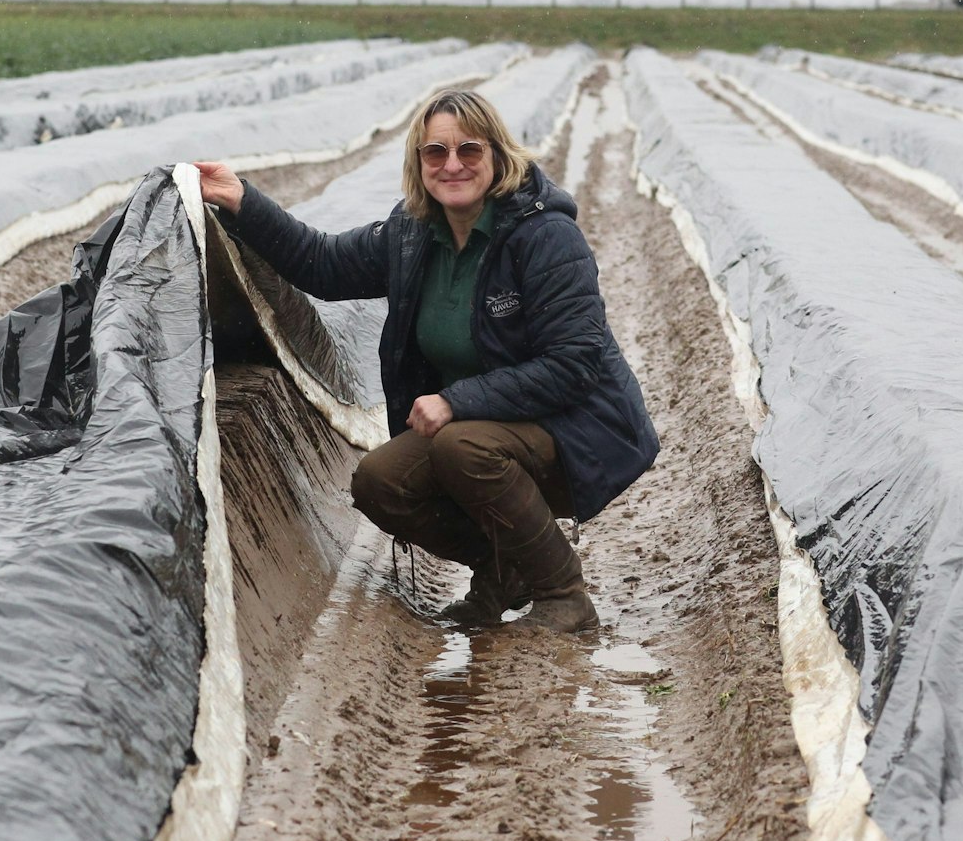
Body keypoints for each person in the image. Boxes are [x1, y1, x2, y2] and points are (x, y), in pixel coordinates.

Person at [194, 88, 658, 633]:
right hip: (487, 426)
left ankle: (565, 594)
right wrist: (240, 199)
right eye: (436, 152)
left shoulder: (545, 236)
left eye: (469, 149)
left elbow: (573, 364)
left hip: (577, 427)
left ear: (497, 155)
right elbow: (322, 264)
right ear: (418, 162)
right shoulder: (412, 234)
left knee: (462, 447)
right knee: (380, 481)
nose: (452, 164)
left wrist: (454, 400)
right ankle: (506, 569)